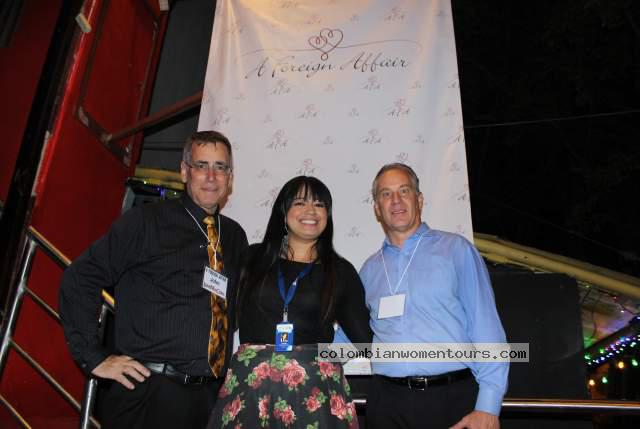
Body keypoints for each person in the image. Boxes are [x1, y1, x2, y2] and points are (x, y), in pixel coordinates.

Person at [59, 130, 248, 429]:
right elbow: (81, 278)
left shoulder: (235, 236)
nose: (211, 176)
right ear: (184, 171)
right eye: (201, 165)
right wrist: (93, 357)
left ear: (230, 177)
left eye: (220, 167)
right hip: (148, 391)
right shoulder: (147, 222)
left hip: (206, 399)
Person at [207, 176, 372, 429]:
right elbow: (220, 316)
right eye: (300, 203)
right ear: (283, 212)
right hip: (251, 387)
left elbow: (364, 339)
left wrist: (321, 358)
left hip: (314, 392)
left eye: (319, 204)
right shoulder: (252, 258)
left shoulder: (340, 271)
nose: (311, 211)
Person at [360, 163, 508, 429]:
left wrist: (488, 405)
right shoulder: (369, 270)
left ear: (419, 200)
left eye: (404, 190)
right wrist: (304, 356)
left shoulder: (456, 250)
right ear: (377, 209)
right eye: (386, 193)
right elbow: (350, 334)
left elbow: (486, 327)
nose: (396, 200)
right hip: (386, 404)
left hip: (450, 400)